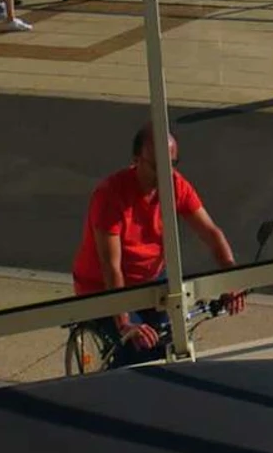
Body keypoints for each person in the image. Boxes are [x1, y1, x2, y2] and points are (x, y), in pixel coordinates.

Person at [71, 124, 246, 365]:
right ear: (136, 161)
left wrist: (230, 279)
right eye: (157, 166)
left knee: (173, 341)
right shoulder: (110, 196)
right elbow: (111, 267)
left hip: (151, 278)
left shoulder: (176, 185)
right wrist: (124, 324)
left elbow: (211, 233)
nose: (166, 174)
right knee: (138, 349)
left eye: (172, 164)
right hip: (102, 286)